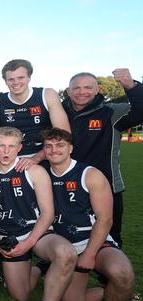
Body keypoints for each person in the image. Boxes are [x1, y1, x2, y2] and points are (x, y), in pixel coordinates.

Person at [41, 128, 134, 301]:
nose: (55, 150)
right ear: (44, 151)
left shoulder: (89, 174)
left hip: (95, 241)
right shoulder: (40, 173)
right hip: (64, 246)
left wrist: (90, 254)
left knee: (122, 273)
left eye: (60, 145)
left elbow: (105, 220)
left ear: (71, 148)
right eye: (49, 146)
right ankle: (111, 291)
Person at [0, 127, 76, 301]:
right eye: (1, 146)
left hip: (37, 233)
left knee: (66, 253)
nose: (6, 151)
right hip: (8, 236)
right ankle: (41, 269)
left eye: (11, 146)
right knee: (20, 295)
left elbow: (48, 214)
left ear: (19, 148)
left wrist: (28, 243)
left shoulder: (34, 171)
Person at [62, 68, 143, 249]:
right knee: (65, 239)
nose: (82, 92)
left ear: (98, 89)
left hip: (107, 187)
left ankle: (108, 275)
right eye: (76, 88)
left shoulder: (111, 112)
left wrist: (132, 86)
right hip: (65, 188)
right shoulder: (58, 114)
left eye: (88, 87)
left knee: (110, 242)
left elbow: (141, 109)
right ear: (68, 91)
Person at [0, 59, 70, 170]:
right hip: (9, 158)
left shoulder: (47, 95)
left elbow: (64, 135)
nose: (16, 82)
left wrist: (36, 158)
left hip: (44, 156)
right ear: (5, 81)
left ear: (29, 77)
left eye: (20, 78)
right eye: (11, 79)